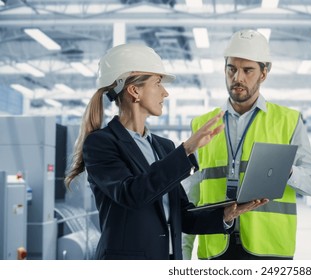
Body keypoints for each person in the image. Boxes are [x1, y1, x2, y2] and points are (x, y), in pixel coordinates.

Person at [64, 43, 267, 260]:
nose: (165, 92)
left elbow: (183, 215)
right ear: (134, 90)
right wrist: (187, 149)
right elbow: (132, 194)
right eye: (158, 83)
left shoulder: (163, 147)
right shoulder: (101, 144)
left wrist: (226, 214)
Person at [182, 30, 311, 260]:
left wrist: (286, 171)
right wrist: (183, 256)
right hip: (215, 248)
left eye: (248, 70)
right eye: (232, 69)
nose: (238, 77)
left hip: (270, 250)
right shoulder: (203, 125)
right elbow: (191, 195)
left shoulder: (288, 121)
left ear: (264, 73)